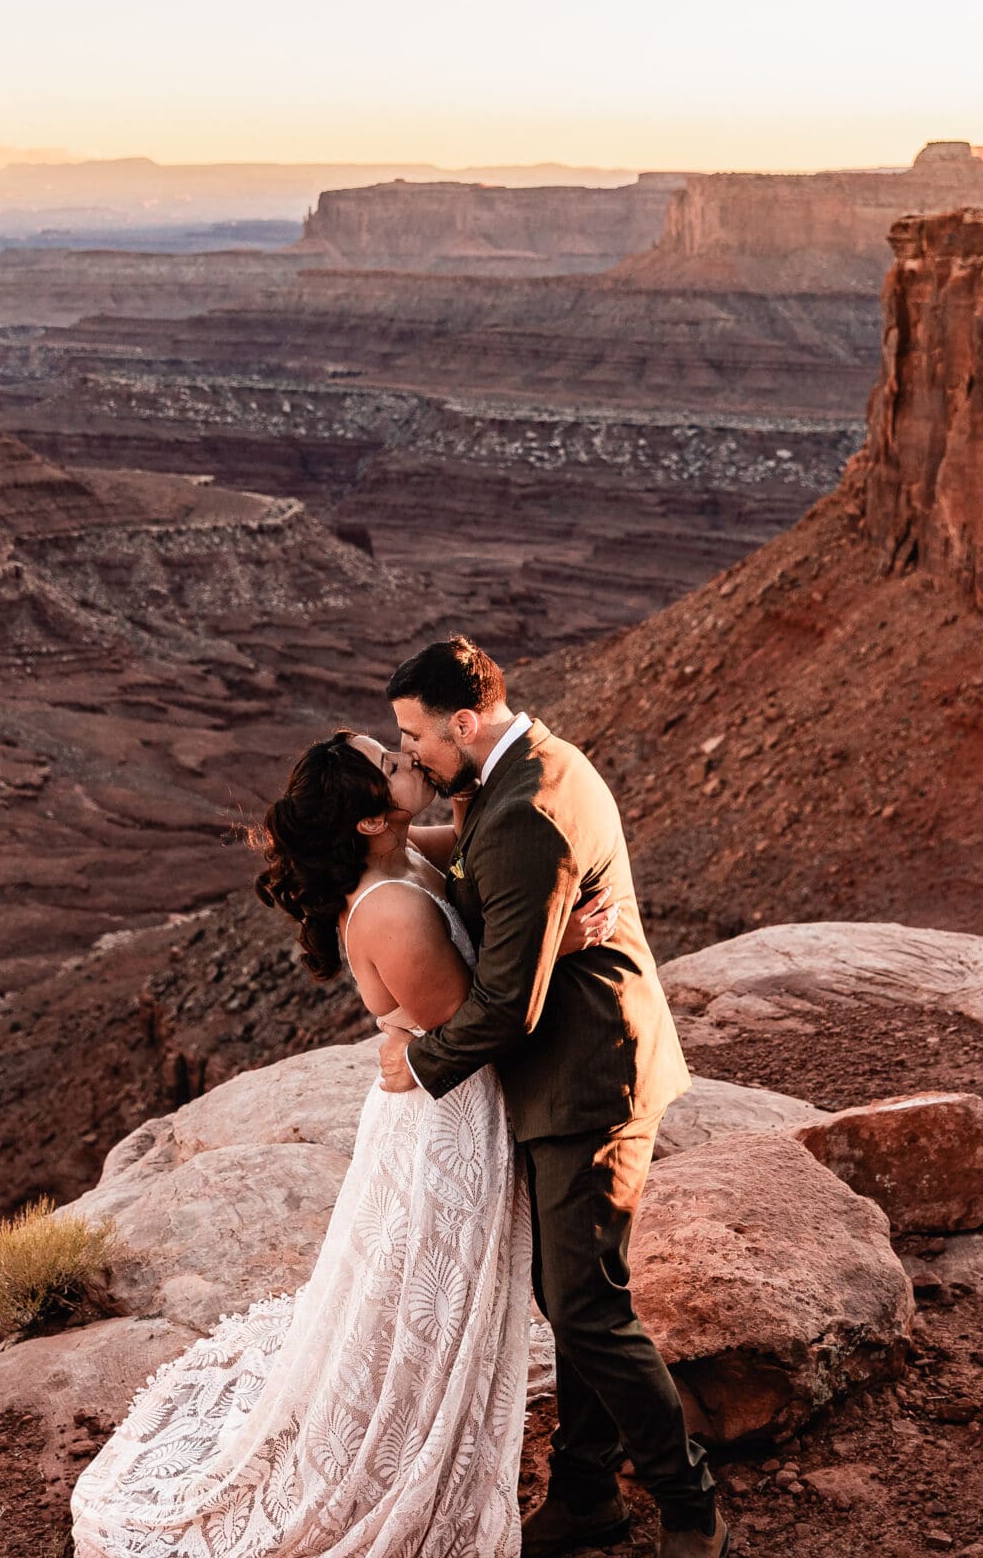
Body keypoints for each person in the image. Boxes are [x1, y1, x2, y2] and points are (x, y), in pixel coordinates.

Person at [69, 725, 615, 1558]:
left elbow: (481, 844)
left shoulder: (406, 853)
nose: (409, 764)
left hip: (445, 1095)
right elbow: (469, 1026)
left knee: (423, 1303)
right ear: (368, 822)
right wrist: (560, 940)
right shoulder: (390, 905)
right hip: (446, 1119)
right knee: (426, 1301)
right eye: (393, 765)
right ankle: (400, 1446)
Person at [385, 637, 721, 1558]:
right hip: (577, 1069)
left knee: (585, 1306)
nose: (410, 752)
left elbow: (504, 1001)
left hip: (590, 1080)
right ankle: (585, 1497)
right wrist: (387, 841)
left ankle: (688, 1504)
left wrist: (418, 1065)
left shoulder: (526, 806)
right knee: (569, 1291)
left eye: (416, 735)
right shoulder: (528, 764)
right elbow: (486, 866)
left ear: (463, 720)